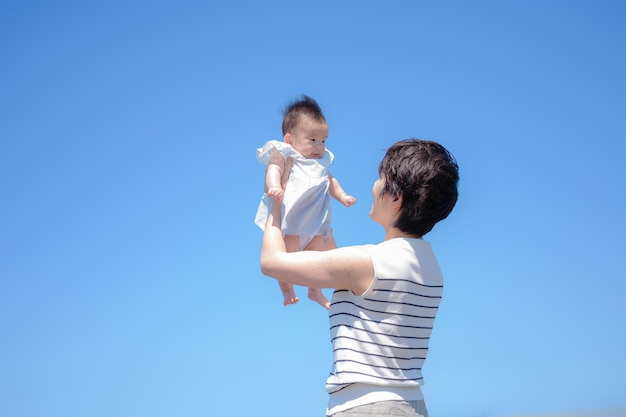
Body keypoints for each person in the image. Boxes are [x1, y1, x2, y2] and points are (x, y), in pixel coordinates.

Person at [260, 139, 459, 417]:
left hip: (366, 408)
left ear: (395, 198)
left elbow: (272, 262)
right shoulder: (431, 267)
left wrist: (276, 199)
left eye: (381, 179)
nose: (374, 186)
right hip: (413, 405)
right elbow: (336, 261)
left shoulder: (369, 262)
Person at [254, 95, 356, 309]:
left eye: (323, 140)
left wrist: (343, 196)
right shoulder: (286, 154)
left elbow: (331, 180)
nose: (319, 146)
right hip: (292, 224)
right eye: (312, 140)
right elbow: (274, 169)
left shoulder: (320, 163)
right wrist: (275, 185)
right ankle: (287, 290)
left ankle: (315, 291)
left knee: (318, 256)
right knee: (286, 258)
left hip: (315, 225)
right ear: (290, 140)